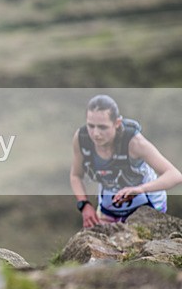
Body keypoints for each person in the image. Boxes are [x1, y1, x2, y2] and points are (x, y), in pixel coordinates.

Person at [70, 94, 182, 227]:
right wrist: (84, 205)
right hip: (109, 208)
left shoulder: (134, 143)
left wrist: (140, 189)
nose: (96, 134)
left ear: (117, 123)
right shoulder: (82, 139)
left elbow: (175, 175)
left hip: (147, 205)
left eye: (102, 127)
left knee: (134, 239)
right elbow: (75, 176)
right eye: (91, 126)